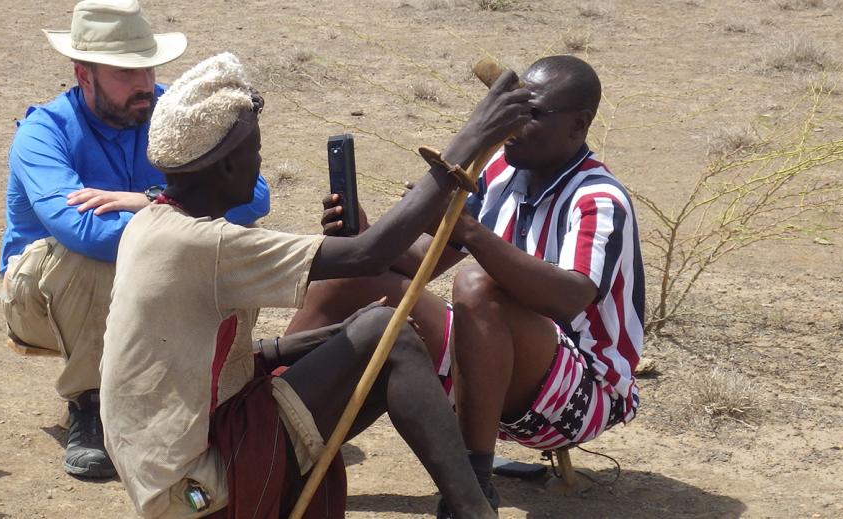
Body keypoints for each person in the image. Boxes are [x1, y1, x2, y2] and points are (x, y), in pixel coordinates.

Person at [100, 52, 532, 518]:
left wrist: (331, 340)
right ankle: (475, 510)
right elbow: (371, 254)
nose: (261, 160)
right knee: (392, 337)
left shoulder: (152, 224)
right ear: (225, 169)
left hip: (165, 470)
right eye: (255, 151)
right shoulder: (205, 245)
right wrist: (473, 135)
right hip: (196, 487)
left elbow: (218, 355)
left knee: (378, 331)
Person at [287, 55, 645, 515]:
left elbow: (568, 298)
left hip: (584, 393)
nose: (513, 125)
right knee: (353, 278)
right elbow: (422, 262)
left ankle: (473, 489)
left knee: (478, 283)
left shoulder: (599, 198)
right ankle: (270, 422)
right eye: (512, 109)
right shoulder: (501, 172)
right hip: (492, 366)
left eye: (531, 114)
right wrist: (365, 235)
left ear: (578, 125)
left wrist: (469, 232)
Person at [0, 0, 270, 479]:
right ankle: (90, 405)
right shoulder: (44, 132)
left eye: (146, 68)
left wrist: (144, 200)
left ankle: (218, 392)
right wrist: (177, 213)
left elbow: (253, 195)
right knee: (97, 256)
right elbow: (85, 231)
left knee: (227, 236)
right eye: (125, 73)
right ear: (84, 76)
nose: (143, 84)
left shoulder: (172, 111)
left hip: (138, 282)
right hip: (42, 300)